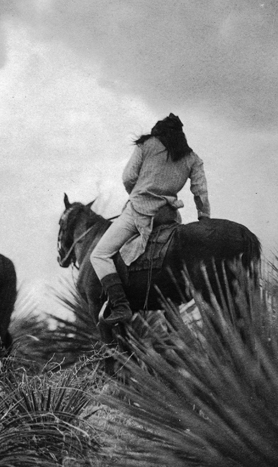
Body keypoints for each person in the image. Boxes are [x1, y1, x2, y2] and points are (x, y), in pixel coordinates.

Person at [90, 113, 210, 324]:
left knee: (99, 255)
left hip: (139, 211)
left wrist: (138, 193)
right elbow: (200, 191)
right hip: (169, 216)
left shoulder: (146, 145)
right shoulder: (192, 158)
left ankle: (120, 306)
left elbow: (128, 177)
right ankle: (173, 316)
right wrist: (203, 217)